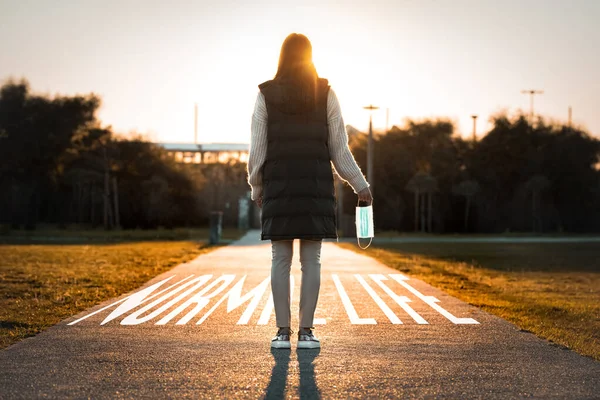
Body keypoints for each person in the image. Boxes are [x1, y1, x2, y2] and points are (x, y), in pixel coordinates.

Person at [247, 33, 373, 349]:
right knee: (312, 261)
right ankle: (306, 333)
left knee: (279, 260)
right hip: (316, 188)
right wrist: (361, 185)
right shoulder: (326, 93)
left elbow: (257, 150)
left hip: (278, 187)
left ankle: (280, 333)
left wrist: (256, 187)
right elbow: (339, 149)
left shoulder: (265, 94)